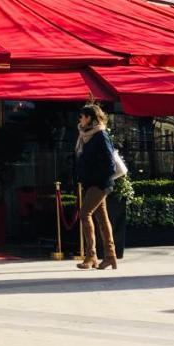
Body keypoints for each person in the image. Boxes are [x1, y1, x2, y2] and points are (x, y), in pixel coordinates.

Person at [74, 103, 119, 271]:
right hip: (91, 182)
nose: (80, 119)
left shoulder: (100, 135)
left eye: (83, 116)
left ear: (90, 118)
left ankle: (91, 255)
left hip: (99, 183)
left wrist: (99, 179)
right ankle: (110, 256)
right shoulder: (86, 135)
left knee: (85, 213)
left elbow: (110, 163)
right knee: (102, 218)